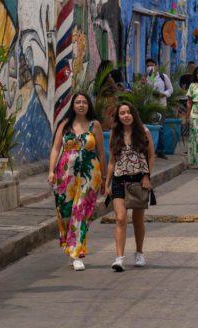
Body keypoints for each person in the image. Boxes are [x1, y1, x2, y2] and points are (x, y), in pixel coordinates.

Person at [48, 92, 106, 271]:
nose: (81, 105)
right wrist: (51, 171)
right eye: (78, 102)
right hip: (66, 175)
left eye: (84, 102)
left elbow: (102, 153)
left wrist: (104, 178)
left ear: (89, 105)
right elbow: (56, 148)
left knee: (80, 210)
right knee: (65, 212)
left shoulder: (94, 125)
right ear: (72, 106)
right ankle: (70, 243)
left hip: (90, 175)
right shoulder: (65, 125)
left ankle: (77, 253)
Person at [105, 101, 155, 272]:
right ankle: (119, 258)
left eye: (128, 112)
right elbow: (112, 160)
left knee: (137, 219)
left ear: (133, 114)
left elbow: (151, 157)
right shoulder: (115, 133)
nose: (126, 115)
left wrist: (147, 176)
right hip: (119, 180)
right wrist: (107, 183)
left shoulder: (144, 132)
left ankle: (139, 252)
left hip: (138, 181)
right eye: (122, 113)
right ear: (118, 117)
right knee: (120, 218)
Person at [146, 57, 173, 159]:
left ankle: (160, 150)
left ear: (156, 66)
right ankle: (151, 149)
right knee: (151, 127)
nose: (150, 67)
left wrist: (164, 94)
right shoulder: (147, 78)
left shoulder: (163, 77)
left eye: (152, 65)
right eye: (148, 66)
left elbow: (170, 89)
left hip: (161, 106)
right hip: (150, 107)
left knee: (160, 128)